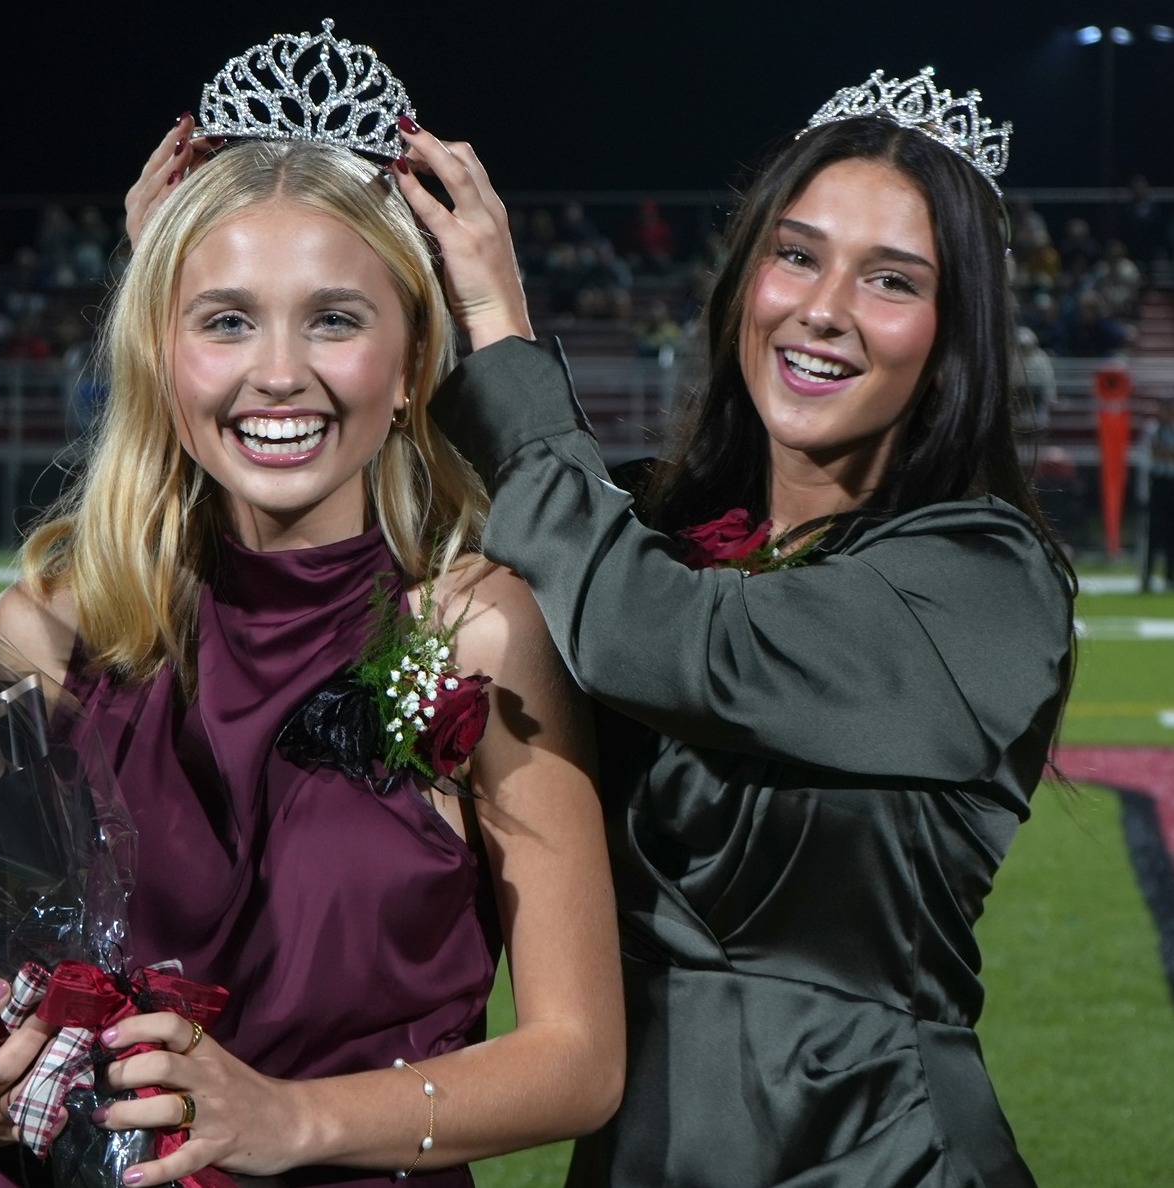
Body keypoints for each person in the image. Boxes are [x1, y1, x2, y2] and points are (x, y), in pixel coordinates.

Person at [0, 29, 623, 1188]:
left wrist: (290, 1119)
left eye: (334, 319)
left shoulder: (482, 632)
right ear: (163, 355)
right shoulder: (45, 628)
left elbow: (580, 1060)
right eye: (226, 319)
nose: (276, 371)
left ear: (407, 363)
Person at [388, 68, 1076, 1186]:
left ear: (956, 337)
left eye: (891, 280)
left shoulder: (987, 581)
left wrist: (503, 324)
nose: (823, 307)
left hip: (881, 1159)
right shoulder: (651, 529)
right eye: (796, 254)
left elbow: (663, 638)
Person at [1141, 398, 1174, 592]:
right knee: (1153, 533)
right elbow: (1156, 452)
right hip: (1159, 484)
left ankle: (1170, 577)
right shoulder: (1153, 429)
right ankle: (1147, 577)